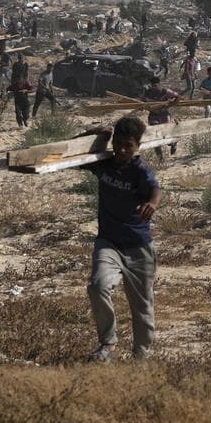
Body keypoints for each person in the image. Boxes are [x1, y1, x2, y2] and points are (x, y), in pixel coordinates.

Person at [84, 116, 161, 362]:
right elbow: (73, 154)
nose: (122, 150)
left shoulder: (140, 170)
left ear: (137, 146)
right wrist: (96, 132)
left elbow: (155, 190)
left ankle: (141, 355)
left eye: (128, 145)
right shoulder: (103, 164)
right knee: (98, 287)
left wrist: (152, 204)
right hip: (109, 243)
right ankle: (107, 344)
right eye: (118, 144)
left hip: (139, 246)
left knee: (143, 306)